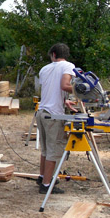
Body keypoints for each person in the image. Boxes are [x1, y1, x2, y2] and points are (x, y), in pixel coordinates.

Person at [36, 43, 76, 194]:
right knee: (53, 150)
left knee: (45, 149)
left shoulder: (44, 69)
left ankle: (41, 177)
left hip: (42, 112)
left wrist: (64, 100)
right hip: (53, 115)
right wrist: (83, 89)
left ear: (53, 54)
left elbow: (50, 90)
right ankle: (46, 185)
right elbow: (64, 85)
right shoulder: (68, 66)